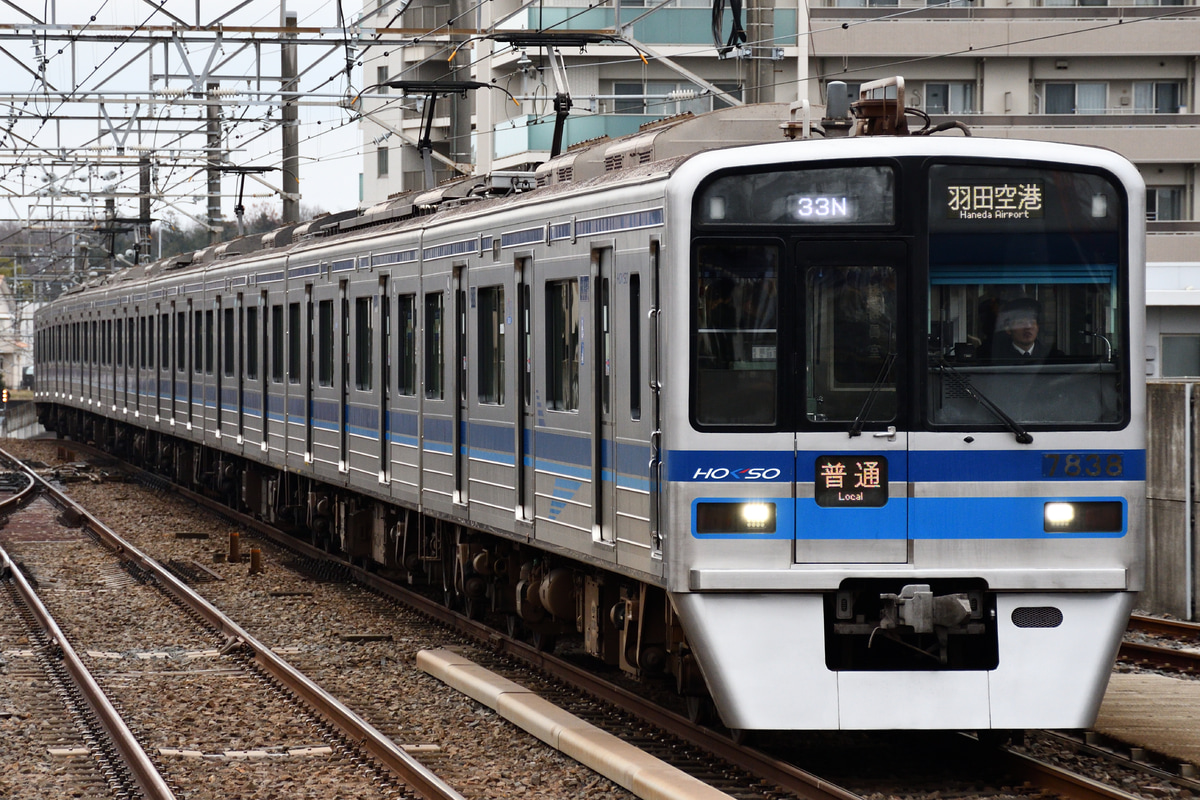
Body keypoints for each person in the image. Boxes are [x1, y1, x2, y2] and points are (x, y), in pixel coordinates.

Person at [978, 296, 1064, 362]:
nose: (1028, 327)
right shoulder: (992, 357)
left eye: (1032, 322)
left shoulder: (1053, 357)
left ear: (1037, 327)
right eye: (1021, 323)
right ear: (1008, 329)